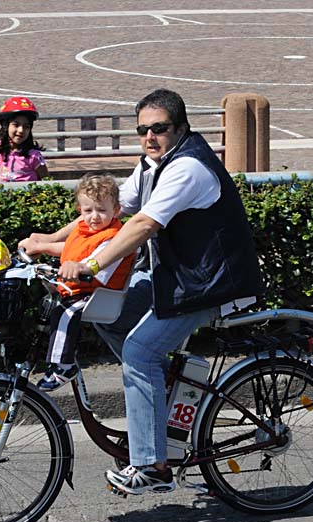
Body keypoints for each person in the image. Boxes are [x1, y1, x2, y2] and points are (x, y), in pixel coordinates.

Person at [20, 89, 264, 495]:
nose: (150, 137)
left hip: (209, 283)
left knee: (140, 351)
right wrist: (49, 239)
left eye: (160, 129)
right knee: (105, 311)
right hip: (176, 275)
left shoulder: (188, 168)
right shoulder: (152, 164)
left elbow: (141, 226)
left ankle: (154, 467)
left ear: (181, 128)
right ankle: (165, 394)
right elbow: (104, 212)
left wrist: (92, 265)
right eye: (143, 130)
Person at [21, 174, 135, 391]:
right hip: (80, 289)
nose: (94, 217)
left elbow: (91, 263)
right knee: (49, 305)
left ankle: (63, 366)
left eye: (102, 210)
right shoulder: (85, 230)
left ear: (116, 210)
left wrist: (76, 267)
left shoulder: (113, 237)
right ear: (79, 210)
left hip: (100, 294)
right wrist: (39, 246)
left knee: (68, 311)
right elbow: (70, 249)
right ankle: (55, 354)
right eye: (88, 210)